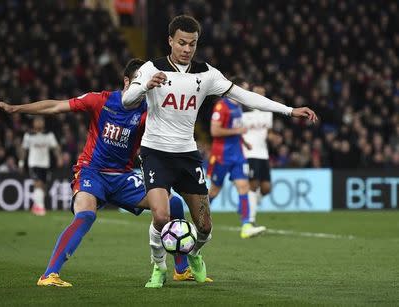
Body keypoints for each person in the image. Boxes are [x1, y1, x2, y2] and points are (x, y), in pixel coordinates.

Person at [122, 15, 318, 288]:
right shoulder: (149, 68)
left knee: (204, 226)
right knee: (161, 215)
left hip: (187, 154)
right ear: (170, 41)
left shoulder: (207, 74)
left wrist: (288, 110)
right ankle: (158, 267)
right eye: (181, 43)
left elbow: (244, 96)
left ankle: (195, 255)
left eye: (192, 44)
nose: (187, 49)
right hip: (155, 151)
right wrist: (144, 86)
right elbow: (127, 100)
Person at [0, 58, 205, 287]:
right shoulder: (100, 101)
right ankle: (49, 275)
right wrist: (15, 109)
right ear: (127, 81)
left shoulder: (148, 112)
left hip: (123, 177)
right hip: (92, 171)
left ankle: (181, 269)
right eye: (140, 82)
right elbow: (55, 106)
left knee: (174, 204)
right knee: (86, 214)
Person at [206, 77, 255, 239]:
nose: (246, 93)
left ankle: (246, 225)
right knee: (214, 190)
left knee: (243, 186)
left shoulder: (238, 107)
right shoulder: (221, 106)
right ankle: (199, 218)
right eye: (244, 89)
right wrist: (238, 132)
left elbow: (236, 129)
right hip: (221, 155)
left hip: (238, 154)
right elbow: (215, 131)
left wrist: (245, 142)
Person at [241, 84, 273, 237]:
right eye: (259, 92)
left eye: (264, 92)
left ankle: (247, 204)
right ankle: (251, 219)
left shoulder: (267, 112)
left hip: (263, 154)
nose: (262, 94)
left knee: (266, 188)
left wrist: (274, 138)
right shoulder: (243, 110)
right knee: (253, 185)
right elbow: (237, 130)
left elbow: (267, 132)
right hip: (249, 153)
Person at [21, 116, 60, 216]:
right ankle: (41, 208)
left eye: (41, 121)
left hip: (45, 164)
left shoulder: (48, 135)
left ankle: (35, 205)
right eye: (37, 121)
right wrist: (21, 162)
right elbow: (23, 149)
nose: (39, 123)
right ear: (33, 123)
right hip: (33, 163)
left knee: (43, 186)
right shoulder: (28, 135)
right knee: (37, 183)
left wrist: (59, 157)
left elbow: (55, 147)